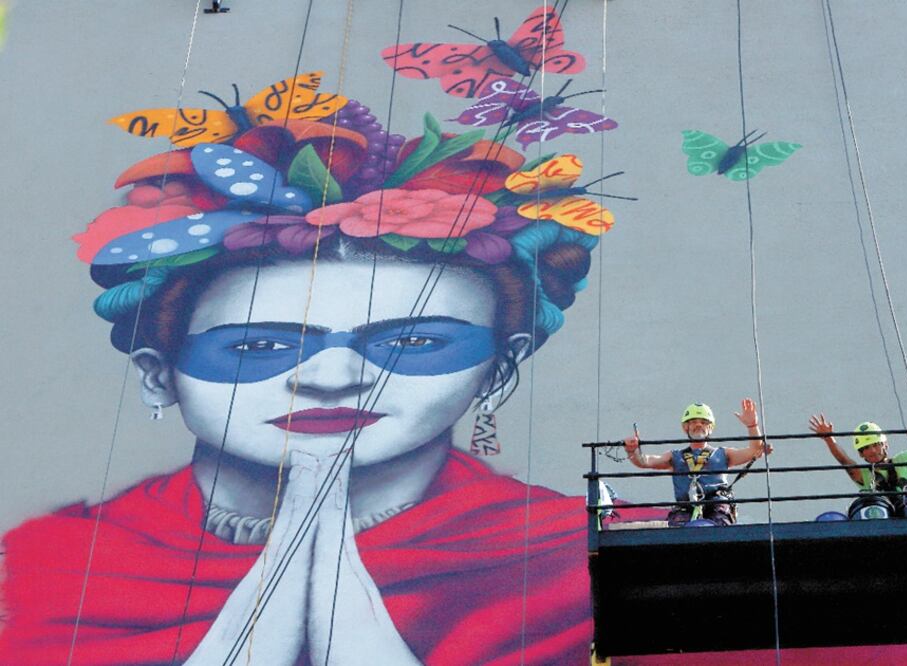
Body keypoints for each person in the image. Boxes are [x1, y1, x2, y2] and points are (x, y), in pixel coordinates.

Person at [0, 101, 602, 665]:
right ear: (158, 375)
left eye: (412, 342)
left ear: (498, 371)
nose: (333, 380)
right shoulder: (43, 568)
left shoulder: (575, 558)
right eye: (260, 346)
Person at [623, 400, 771, 526]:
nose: (698, 425)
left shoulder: (723, 454)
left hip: (716, 506)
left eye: (703, 422)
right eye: (693, 422)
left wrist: (752, 426)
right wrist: (632, 451)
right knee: (682, 531)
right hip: (686, 509)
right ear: (685, 427)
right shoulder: (675, 456)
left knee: (718, 527)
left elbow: (753, 451)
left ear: (710, 427)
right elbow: (644, 461)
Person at [808, 415, 907, 513]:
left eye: (876, 445)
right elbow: (845, 461)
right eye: (866, 448)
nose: (872, 450)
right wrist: (829, 439)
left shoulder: (904, 459)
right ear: (861, 454)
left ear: (885, 445)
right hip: (884, 516)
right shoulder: (865, 474)